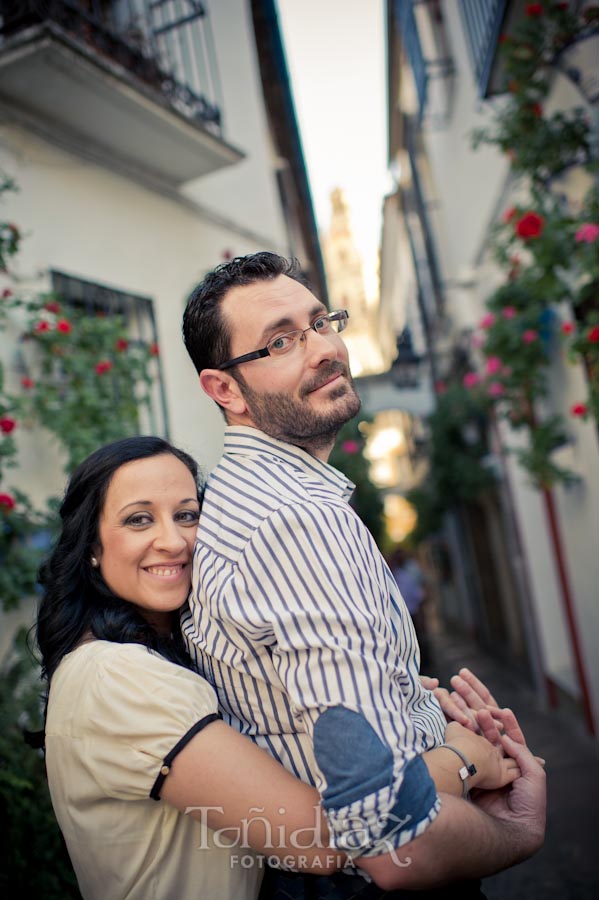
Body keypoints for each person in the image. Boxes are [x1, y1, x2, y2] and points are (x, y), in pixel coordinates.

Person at [181, 252, 546, 895]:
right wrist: (516, 829)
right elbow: (388, 835)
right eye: (281, 341)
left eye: (321, 323)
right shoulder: (296, 522)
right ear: (225, 390)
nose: (323, 348)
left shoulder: (261, 499)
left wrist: (415, 708)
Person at [36, 435, 521, 900]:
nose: (174, 541)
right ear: (92, 547)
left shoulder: (150, 660)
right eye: (139, 520)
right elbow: (323, 838)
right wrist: (463, 757)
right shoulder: (116, 676)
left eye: (187, 515)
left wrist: (382, 697)